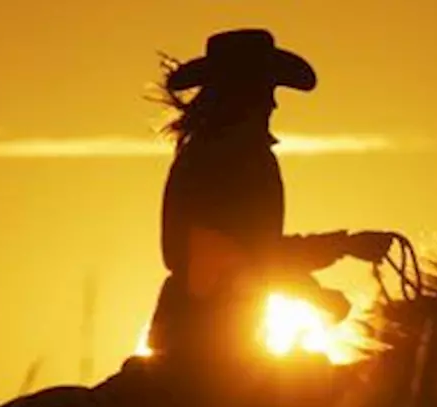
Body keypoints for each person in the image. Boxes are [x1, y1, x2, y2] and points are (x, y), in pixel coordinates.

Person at [145, 28, 395, 371]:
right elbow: (249, 255)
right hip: (216, 341)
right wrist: (328, 266)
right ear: (244, 94)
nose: (274, 102)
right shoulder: (236, 158)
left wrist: (329, 263)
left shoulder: (204, 154)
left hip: (197, 330)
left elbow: (248, 252)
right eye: (266, 91)